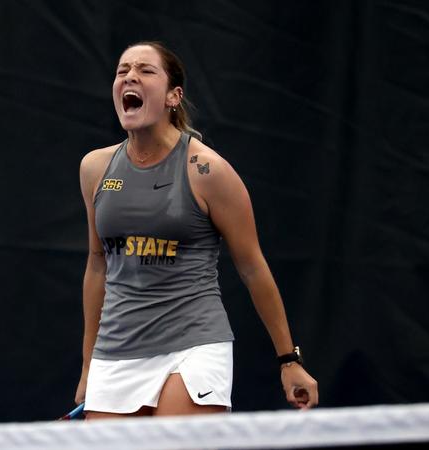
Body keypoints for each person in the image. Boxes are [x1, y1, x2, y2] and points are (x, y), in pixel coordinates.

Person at [76, 41, 318, 419]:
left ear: (173, 96)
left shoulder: (207, 170)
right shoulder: (94, 168)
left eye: (145, 70)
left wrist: (289, 360)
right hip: (115, 353)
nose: (130, 77)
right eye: (123, 71)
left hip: (193, 347)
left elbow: (252, 267)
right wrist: (88, 366)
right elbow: (97, 265)